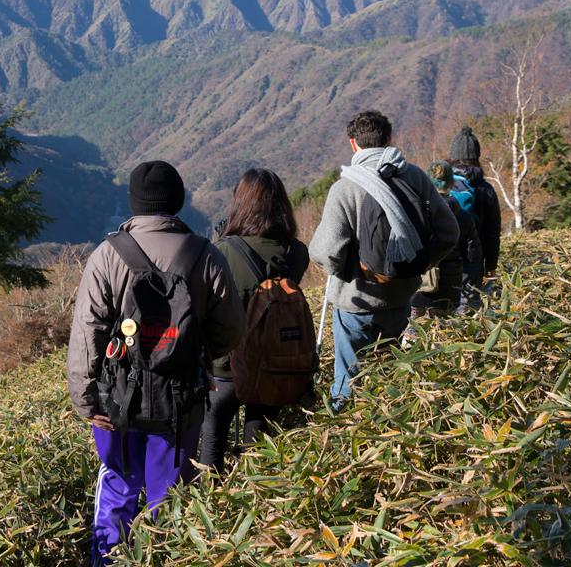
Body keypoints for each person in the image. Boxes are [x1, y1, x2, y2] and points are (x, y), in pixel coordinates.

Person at [67, 160, 245, 566]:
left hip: (116, 404)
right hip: (180, 403)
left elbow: (87, 334)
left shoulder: (107, 255)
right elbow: (232, 328)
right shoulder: (206, 255)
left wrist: (85, 399)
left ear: (134, 204)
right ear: (178, 202)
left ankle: (110, 561)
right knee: (172, 495)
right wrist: (194, 354)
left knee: (117, 490)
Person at [308, 110, 459, 404]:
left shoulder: (345, 188)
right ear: (389, 140)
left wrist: (346, 268)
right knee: (389, 377)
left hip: (356, 302)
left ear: (354, 144)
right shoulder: (414, 176)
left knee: (349, 383)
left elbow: (327, 254)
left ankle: (344, 435)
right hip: (402, 298)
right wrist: (420, 264)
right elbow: (448, 232)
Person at [199, 168, 310, 473]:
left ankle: (211, 497)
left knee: (212, 437)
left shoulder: (221, 251)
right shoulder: (297, 252)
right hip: (275, 363)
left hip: (227, 368)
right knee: (259, 447)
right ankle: (254, 496)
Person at [408, 162, 478, 320]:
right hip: (449, 286)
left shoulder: (416, 212)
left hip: (418, 284)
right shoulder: (465, 216)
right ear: (452, 183)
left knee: (412, 333)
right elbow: (473, 257)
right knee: (442, 336)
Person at [448, 125, 503, 293]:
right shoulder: (486, 189)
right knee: (468, 310)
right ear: (476, 156)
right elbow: (492, 232)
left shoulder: (438, 185)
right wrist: (491, 265)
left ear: (452, 156)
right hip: (473, 262)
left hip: (442, 259)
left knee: (440, 313)